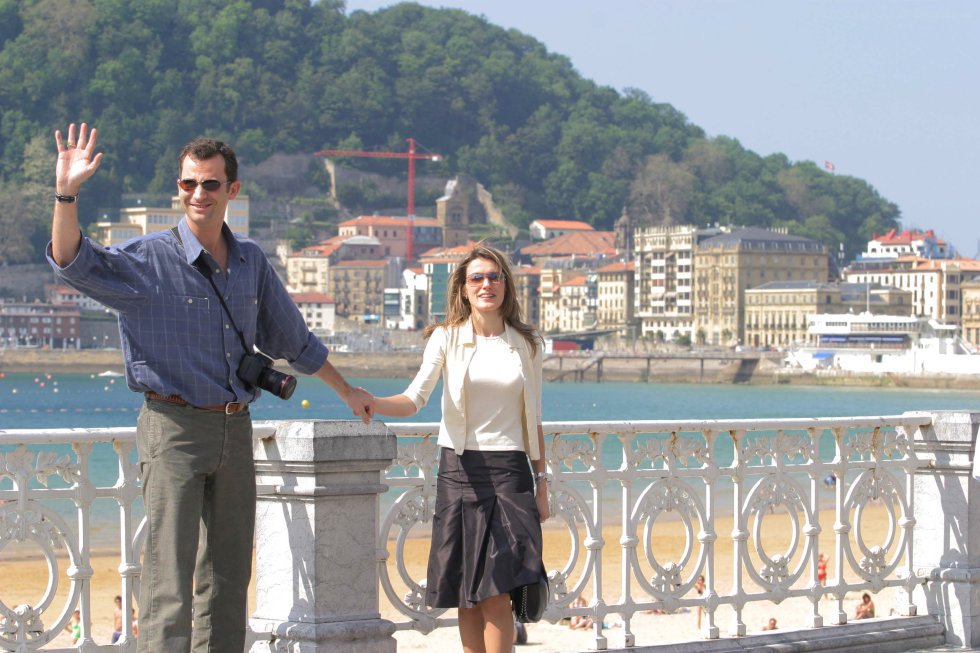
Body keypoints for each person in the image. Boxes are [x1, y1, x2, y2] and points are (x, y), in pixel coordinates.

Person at [47, 123, 372, 653]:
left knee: (226, 579)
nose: (198, 194)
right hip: (172, 428)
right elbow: (72, 262)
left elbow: (295, 339)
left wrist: (346, 389)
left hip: (234, 427)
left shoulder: (251, 262)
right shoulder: (148, 259)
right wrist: (67, 192)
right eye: (188, 184)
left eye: (210, 184)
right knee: (168, 582)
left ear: (232, 191)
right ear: (179, 188)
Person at [369, 245, 548, 653]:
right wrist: (373, 403)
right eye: (477, 278)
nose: (487, 284)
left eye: (494, 276)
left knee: (498, 591)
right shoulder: (445, 339)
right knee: (466, 592)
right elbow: (414, 399)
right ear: (463, 289)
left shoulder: (528, 343)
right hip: (460, 470)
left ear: (506, 284)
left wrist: (543, 484)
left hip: (511, 474)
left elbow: (534, 417)